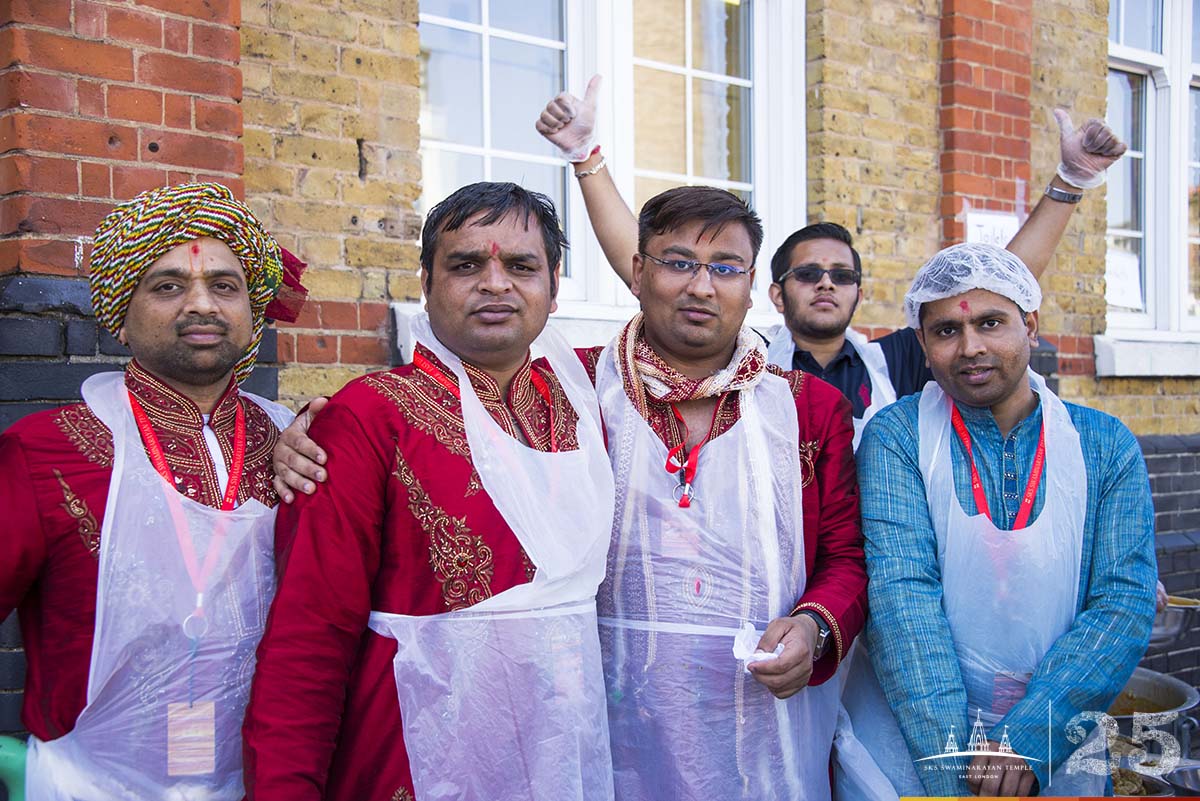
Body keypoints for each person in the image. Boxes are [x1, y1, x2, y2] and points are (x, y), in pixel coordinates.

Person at [272, 184, 866, 800]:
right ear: (637, 272)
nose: (701, 287)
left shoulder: (807, 409)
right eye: (678, 263)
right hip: (587, 738)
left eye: (724, 268)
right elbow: (310, 638)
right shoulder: (580, 387)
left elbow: (846, 556)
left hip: (755, 732)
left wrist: (814, 626)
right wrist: (316, 428)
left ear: (752, 285)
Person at [242, 182, 616, 801]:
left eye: (520, 266)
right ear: (426, 281)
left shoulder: (591, 401)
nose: (495, 283)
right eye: (466, 264)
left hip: (567, 755)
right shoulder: (369, 415)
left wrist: (589, 161)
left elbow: (688, 304)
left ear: (554, 284)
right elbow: (310, 634)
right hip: (413, 756)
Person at [535, 78, 1127, 448]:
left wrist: (1069, 182)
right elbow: (649, 272)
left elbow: (995, 285)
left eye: (841, 276)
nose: (825, 284)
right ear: (769, 292)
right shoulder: (749, 359)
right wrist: (587, 160)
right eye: (808, 273)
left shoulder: (895, 360)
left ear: (858, 294)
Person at [0, 182, 303, 798]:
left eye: (225, 286)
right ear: (121, 312)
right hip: (86, 784)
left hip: (268, 783)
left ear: (252, 309)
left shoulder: (296, 445)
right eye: (168, 286)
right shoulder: (46, 449)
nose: (203, 306)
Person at [856, 243, 1157, 797]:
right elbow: (903, 599)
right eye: (946, 331)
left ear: (1031, 326)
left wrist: (1028, 740)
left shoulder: (1105, 445)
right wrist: (955, 774)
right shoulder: (896, 437)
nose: (972, 348)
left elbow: (1122, 600)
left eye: (992, 323)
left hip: (1056, 738)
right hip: (918, 742)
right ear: (921, 345)